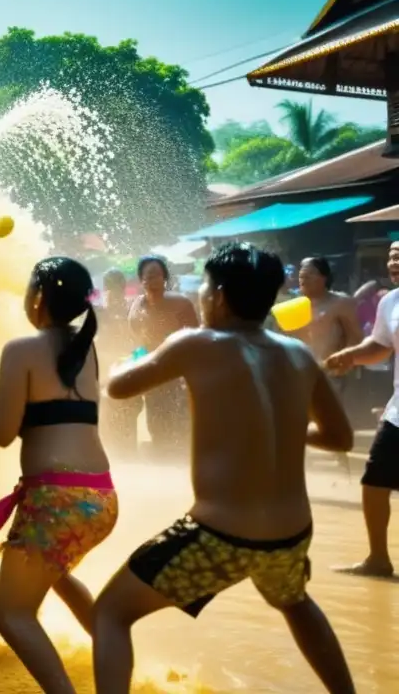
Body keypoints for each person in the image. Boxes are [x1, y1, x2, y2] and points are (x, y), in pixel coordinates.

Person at [93, 242, 355, 694]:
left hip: (220, 535)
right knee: (293, 601)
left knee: (110, 613)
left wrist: (120, 362)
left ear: (216, 295)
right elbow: (340, 438)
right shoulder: (296, 355)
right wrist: (279, 429)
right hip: (291, 535)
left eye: (207, 287)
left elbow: (119, 389)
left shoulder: (195, 343)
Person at [0, 257, 116, 694]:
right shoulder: (86, 349)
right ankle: (118, 658)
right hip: (100, 499)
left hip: (57, 502)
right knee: (56, 575)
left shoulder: (22, 350)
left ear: (38, 298)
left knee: (13, 612)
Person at [326, 241, 399, 579]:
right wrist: (351, 355)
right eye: (391, 255)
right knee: (374, 482)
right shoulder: (390, 302)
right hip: (398, 413)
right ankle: (378, 559)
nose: (394, 262)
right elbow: (381, 346)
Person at [127, 255, 198, 457]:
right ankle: (161, 458)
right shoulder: (136, 307)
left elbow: (195, 337)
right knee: (155, 418)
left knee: (180, 419)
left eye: (157, 275)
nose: (153, 280)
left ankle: (182, 459)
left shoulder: (180, 303)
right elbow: (135, 338)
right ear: (141, 280)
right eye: (148, 276)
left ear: (165, 278)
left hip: (178, 371)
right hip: (151, 369)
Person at [290, 256, 362, 402]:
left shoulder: (341, 302)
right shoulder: (293, 307)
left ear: (324, 277)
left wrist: (345, 363)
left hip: (333, 375)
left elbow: (356, 336)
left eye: (309, 273)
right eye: (301, 275)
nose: (303, 277)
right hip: (302, 376)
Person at [95, 268, 140, 457]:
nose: (113, 292)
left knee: (128, 417)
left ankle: (127, 458)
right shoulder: (99, 313)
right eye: (110, 288)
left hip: (128, 370)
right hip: (105, 373)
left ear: (123, 288)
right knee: (105, 419)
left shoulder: (132, 310)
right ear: (105, 289)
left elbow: (140, 341)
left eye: (117, 287)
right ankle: (112, 459)